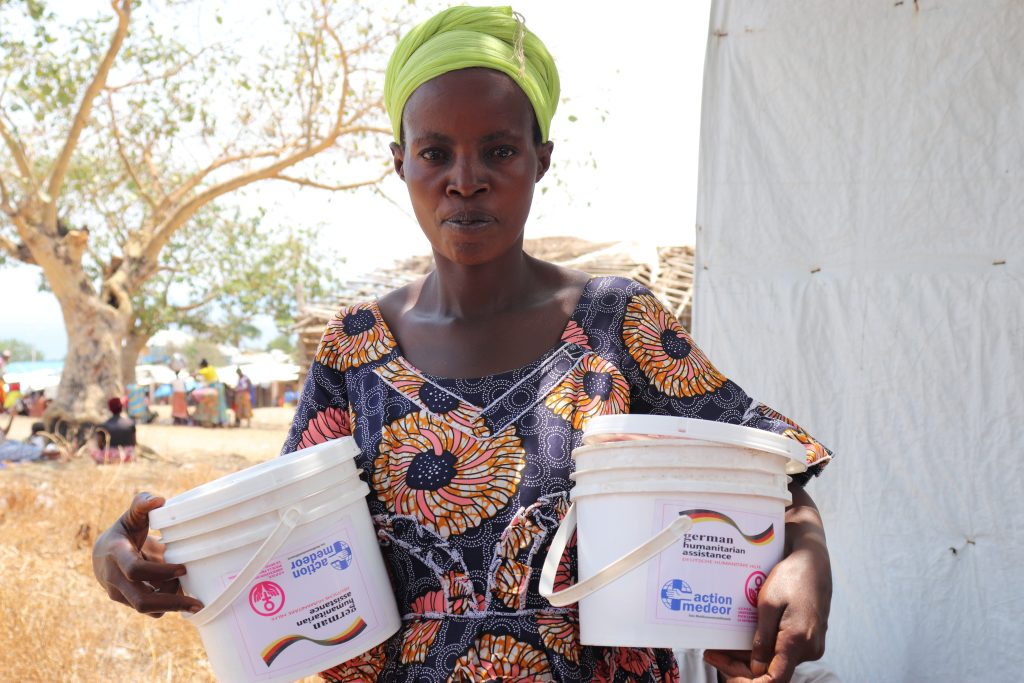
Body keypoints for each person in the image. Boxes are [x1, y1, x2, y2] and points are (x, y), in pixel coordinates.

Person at [91, 7, 833, 683]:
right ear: (400, 163)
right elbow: (281, 536)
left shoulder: (617, 321)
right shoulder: (357, 350)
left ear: (541, 159)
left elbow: (771, 468)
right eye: (435, 153)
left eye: (500, 151)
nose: (465, 181)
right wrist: (128, 557)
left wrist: (808, 554)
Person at [93, 397, 136, 464]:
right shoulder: (130, 423)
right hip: (128, 456)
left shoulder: (103, 426)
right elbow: (134, 442)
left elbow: (100, 445)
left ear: (110, 409)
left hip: (110, 457)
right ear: (121, 408)